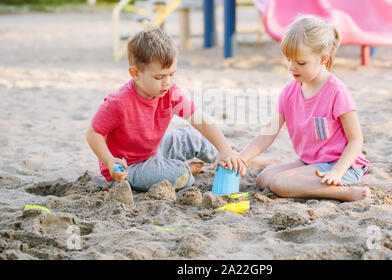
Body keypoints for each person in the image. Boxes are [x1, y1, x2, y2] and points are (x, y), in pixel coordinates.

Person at [86, 25, 273, 192]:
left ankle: (236, 159)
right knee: (182, 176)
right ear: (135, 73)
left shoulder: (170, 92)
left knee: (191, 137)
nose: (167, 83)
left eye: (172, 74)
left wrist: (224, 149)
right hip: (130, 167)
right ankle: (183, 168)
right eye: (159, 77)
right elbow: (93, 133)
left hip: (154, 151)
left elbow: (199, 119)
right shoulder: (119, 102)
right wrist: (109, 160)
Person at [239, 15, 371, 202]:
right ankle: (313, 184)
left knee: (279, 184)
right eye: (289, 60)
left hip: (342, 166)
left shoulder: (336, 91)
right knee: (264, 178)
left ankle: (343, 193)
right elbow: (268, 133)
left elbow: (356, 141)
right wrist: (242, 158)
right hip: (311, 162)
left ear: (323, 59)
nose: (292, 67)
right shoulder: (290, 91)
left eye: (300, 63)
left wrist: (337, 172)